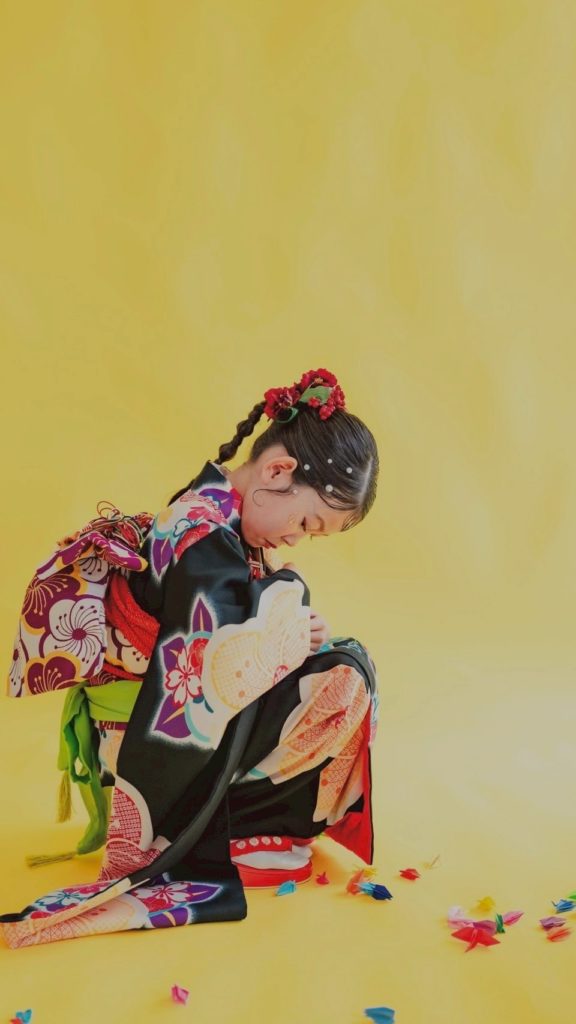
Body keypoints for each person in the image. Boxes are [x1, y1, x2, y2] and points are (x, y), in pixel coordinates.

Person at [1, 367, 380, 949]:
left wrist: (294, 628)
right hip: (143, 735)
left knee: (343, 664)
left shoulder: (216, 513)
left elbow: (240, 623)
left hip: (155, 717)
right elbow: (216, 661)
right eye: (306, 522)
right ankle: (230, 832)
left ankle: (241, 822)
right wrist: (289, 608)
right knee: (343, 681)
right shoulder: (203, 530)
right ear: (277, 471)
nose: (296, 540)